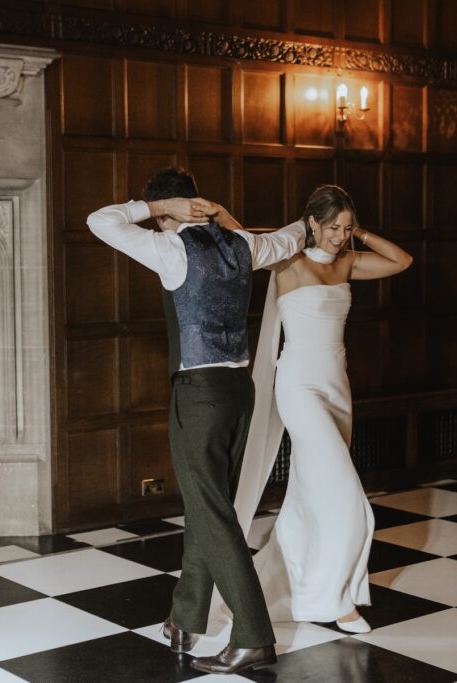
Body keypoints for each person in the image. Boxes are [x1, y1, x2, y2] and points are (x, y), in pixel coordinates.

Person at [86, 167, 305, 675]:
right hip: (239, 393)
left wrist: (157, 211)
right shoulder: (242, 246)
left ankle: (254, 637)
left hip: (200, 394)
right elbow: (291, 237)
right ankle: (185, 620)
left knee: (211, 515)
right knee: (212, 507)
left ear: (168, 214)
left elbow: (101, 221)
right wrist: (237, 218)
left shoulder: (171, 249)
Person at [232, 184, 413, 633]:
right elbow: (244, 245)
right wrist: (225, 215)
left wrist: (362, 233)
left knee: (312, 494)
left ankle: (293, 581)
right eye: (333, 227)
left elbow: (402, 261)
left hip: (337, 387)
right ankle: (335, 601)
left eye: (346, 228)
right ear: (312, 223)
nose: (339, 236)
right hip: (298, 386)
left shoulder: (348, 262)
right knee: (350, 502)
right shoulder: (288, 262)